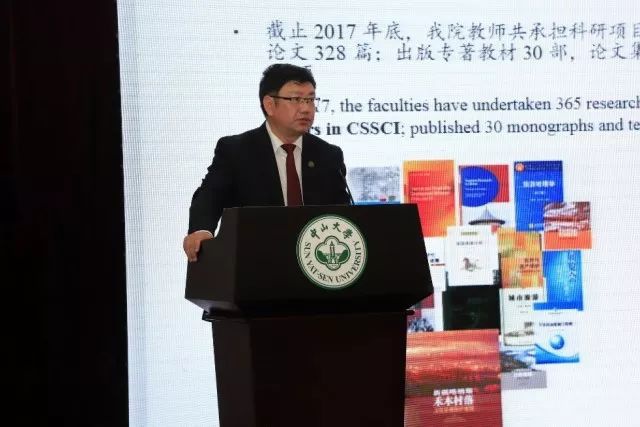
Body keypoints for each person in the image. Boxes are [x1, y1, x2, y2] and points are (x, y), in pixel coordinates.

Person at [183, 63, 351, 261]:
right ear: (269, 104)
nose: (306, 109)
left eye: (310, 100)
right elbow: (209, 196)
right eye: (296, 99)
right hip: (255, 260)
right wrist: (202, 230)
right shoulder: (236, 150)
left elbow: (343, 215)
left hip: (316, 263)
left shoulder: (328, 155)